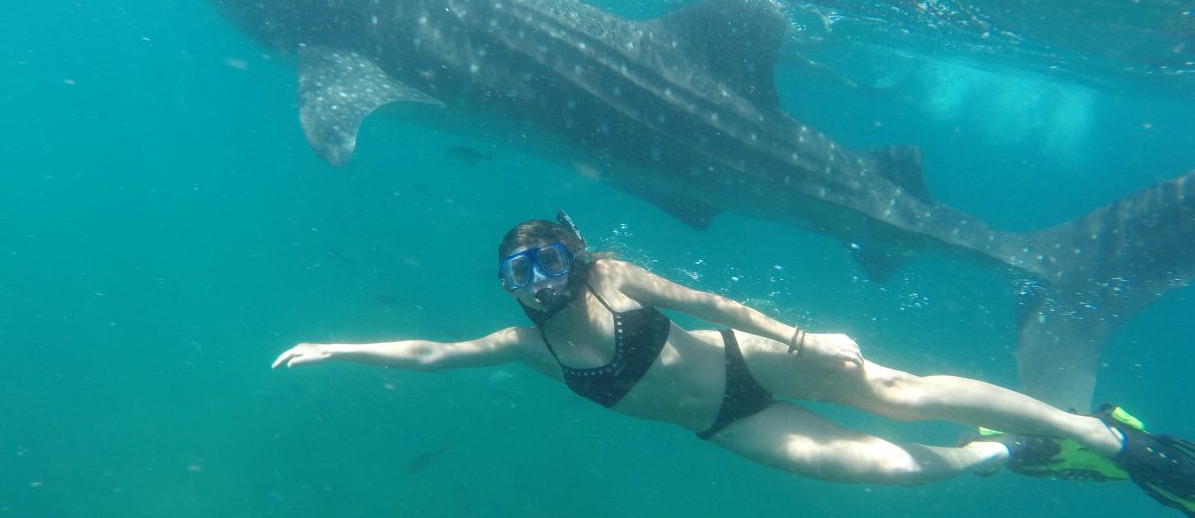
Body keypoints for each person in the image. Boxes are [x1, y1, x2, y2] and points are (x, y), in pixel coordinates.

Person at [273, 212, 1194, 512]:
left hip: (754, 359)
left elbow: (713, 306)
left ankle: (1101, 438)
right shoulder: (527, 346)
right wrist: (339, 346)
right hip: (732, 421)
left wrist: (800, 338)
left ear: (575, 257)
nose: (534, 281)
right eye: (517, 270)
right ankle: (1012, 452)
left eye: (547, 260)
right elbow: (433, 353)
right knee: (894, 473)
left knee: (899, 394)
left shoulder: (619, 279)